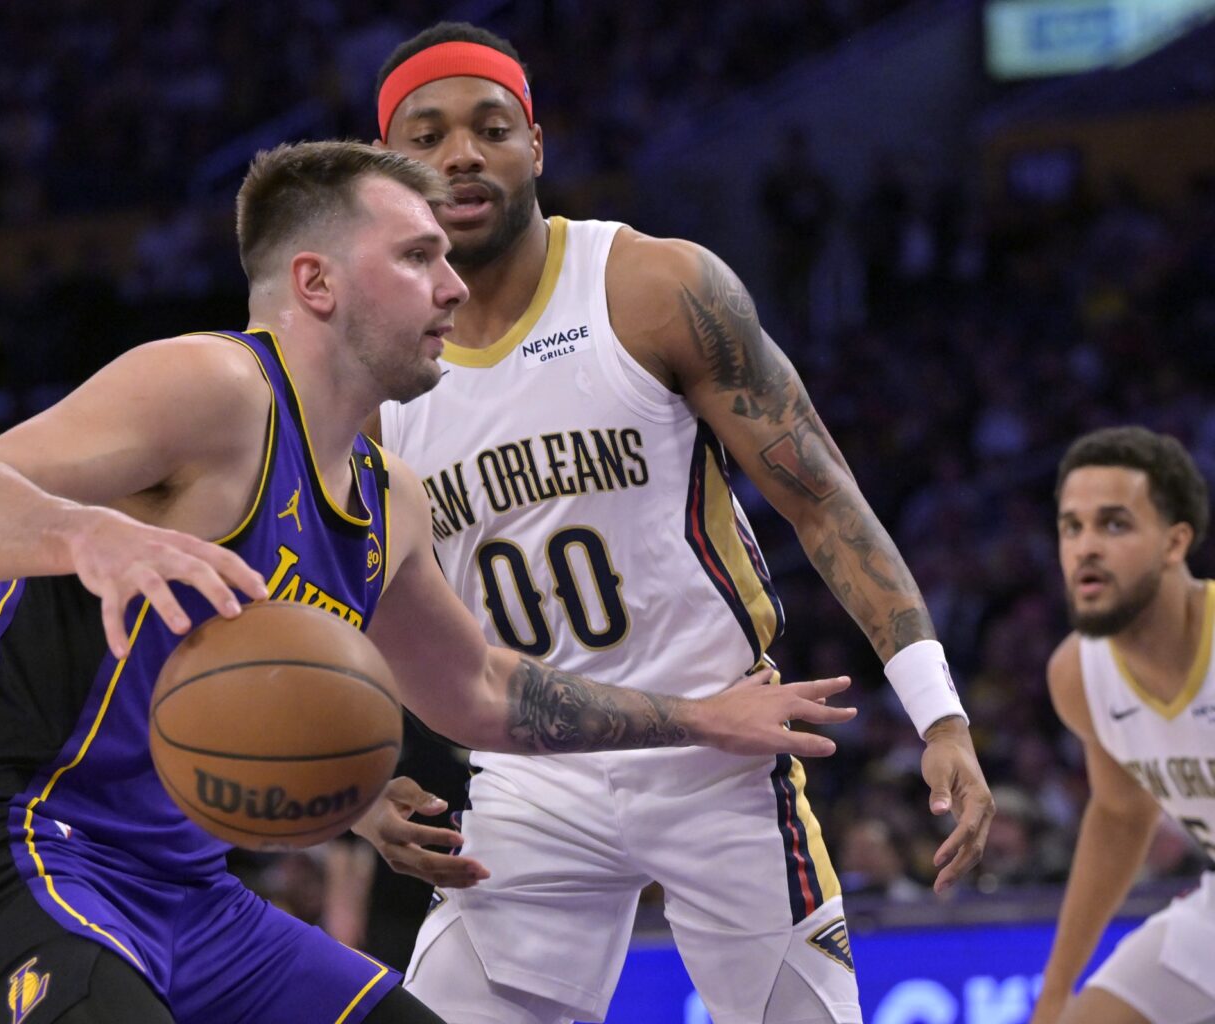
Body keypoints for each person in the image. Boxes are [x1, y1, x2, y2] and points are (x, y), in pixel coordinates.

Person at [0, 140, 857, 1024]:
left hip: (186, 886)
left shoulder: (393, 501)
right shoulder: (215, 390)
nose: (454, 285)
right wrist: (88, 535)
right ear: (318, 282)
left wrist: (699, 717)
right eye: (418, 256)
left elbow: (483, 692)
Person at [358, 23, 995, 1024]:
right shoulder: (371, 372)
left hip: (720, 749)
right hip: (530, 773)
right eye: (425, 135)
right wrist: (363, 785)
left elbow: (821, 495)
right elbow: (344, 599)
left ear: (537, 145)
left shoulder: (652, 287)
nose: (460, 155)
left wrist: (940, 711)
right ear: (383, 166)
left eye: (489, 128)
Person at [1030, 426, 1215, 1024]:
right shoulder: (1078, 674)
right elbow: (1119, 814)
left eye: (1114, 524)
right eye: (1071, 526)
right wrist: (1056, 992)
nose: (1086, 547)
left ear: (1174, 542)